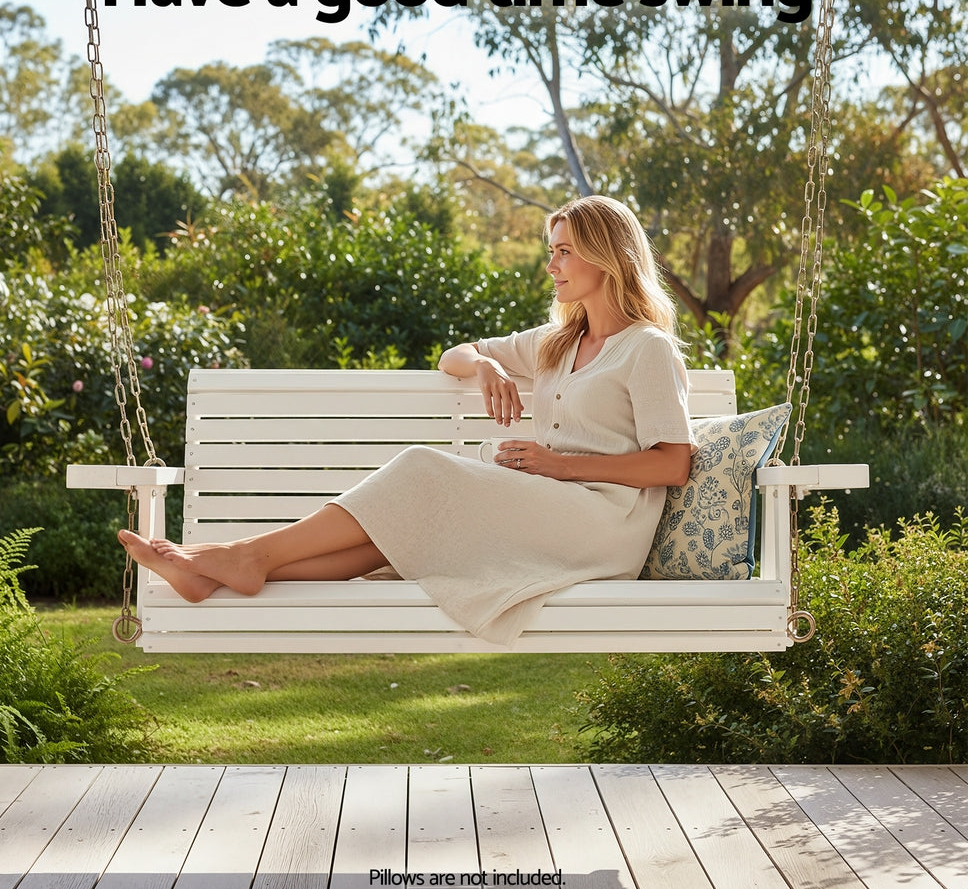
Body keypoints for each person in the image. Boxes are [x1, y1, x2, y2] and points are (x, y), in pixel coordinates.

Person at [119, 195, 695, 646]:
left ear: (606, 254)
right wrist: (488, 365)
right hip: (548, 504)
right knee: (389, 537)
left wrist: (562, 466)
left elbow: (672, 464)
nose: (551, 266)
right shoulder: (557, 341)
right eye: (552, 251)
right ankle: (222, 571)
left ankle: (243, 555)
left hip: (602, 524)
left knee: (421, 468)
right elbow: (454, 355)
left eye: (564, 251)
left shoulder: (647, 348)